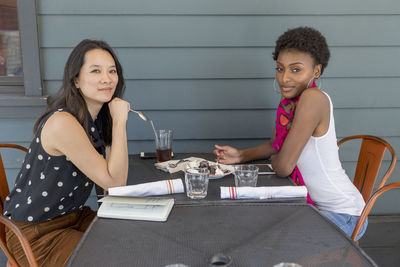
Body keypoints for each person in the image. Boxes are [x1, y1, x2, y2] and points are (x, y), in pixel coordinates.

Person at [213, 27, 368, 240]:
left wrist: (279, 157)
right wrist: (241, 156)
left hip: (342, 214)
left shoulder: (313, 99)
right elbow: (276, 145)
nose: (284, 78)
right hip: (314, 207)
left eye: (295, 70)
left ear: (316, 72)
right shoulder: (293, 102)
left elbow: (284, 166)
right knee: (253, 228)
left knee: (269, 242)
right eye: (280, 68)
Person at [3, 39, 130, 266]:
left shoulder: (97, 119)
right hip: (37, 234)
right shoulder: (63, 122)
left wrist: (113, 123)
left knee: (133, 235)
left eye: (112, 71)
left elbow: (113, 186)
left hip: (71, 219)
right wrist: (120, 122)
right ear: (76, 81)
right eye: (96, 71)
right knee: (114, 257)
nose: (107, 78)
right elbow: (117, 183)